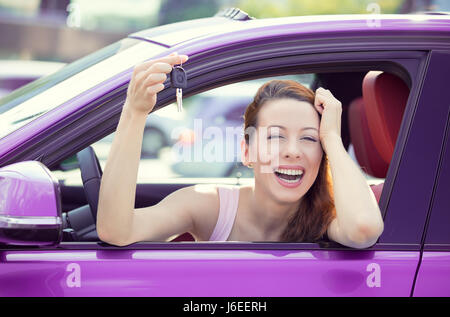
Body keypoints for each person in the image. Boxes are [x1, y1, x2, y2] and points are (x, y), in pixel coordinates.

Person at [96, 52, 384, 248]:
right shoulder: (211, 206)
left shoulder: (329, 216)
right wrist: (134, 112)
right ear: (246, 151)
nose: (293, 151)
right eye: (275, 137)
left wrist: (332, 137)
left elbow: (364, 228)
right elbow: (117, 230)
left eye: (309, 139)